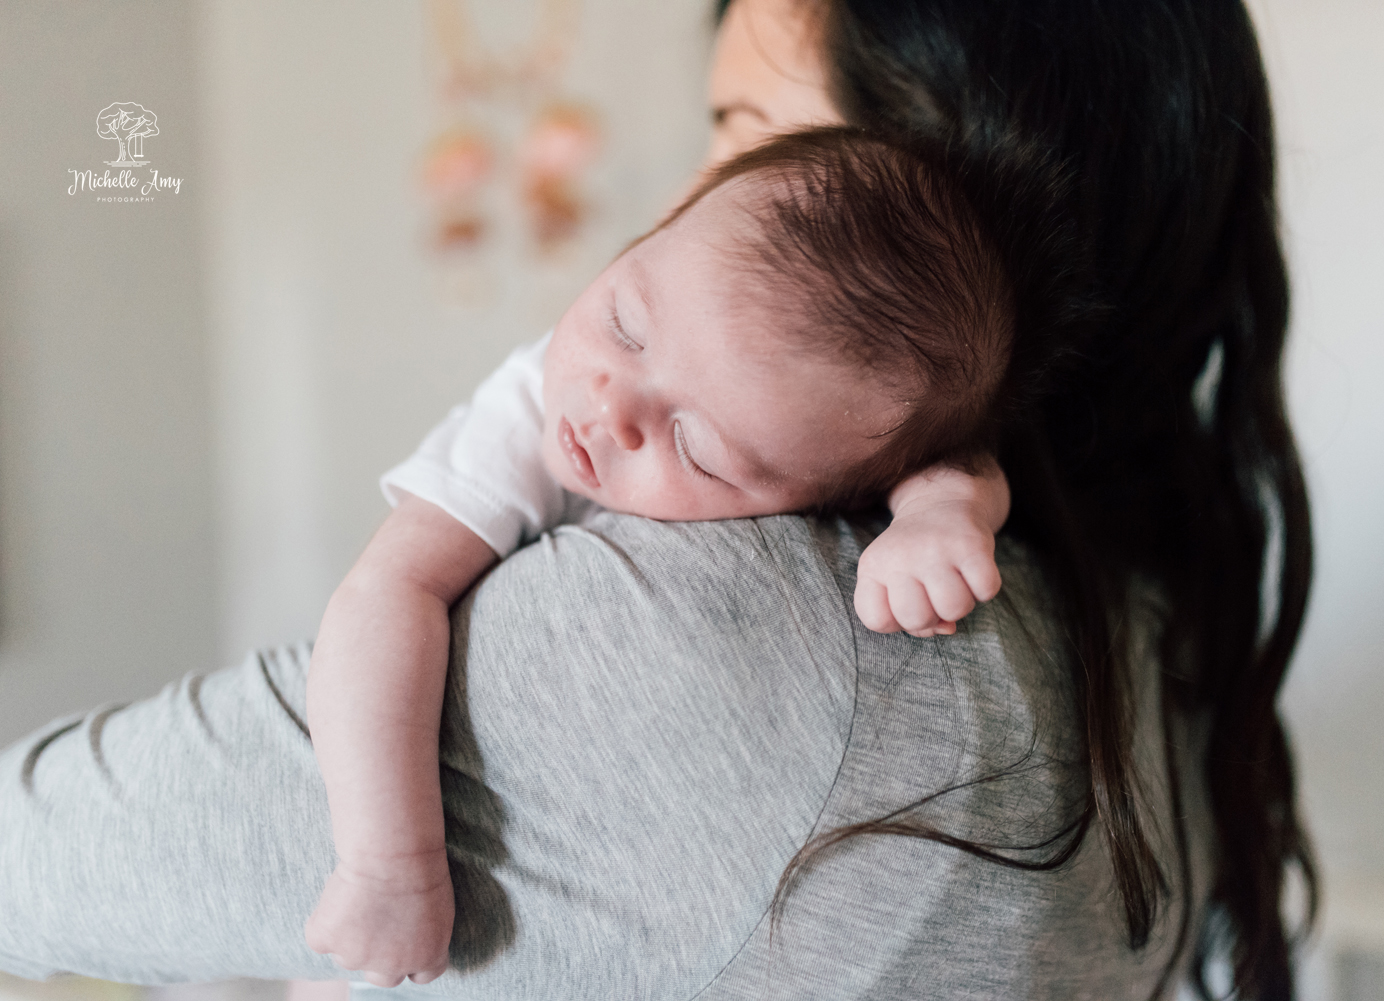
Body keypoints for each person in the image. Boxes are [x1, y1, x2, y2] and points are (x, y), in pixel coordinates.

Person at [0, 1, 1316, 999]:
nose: (701, 195)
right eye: (712, 139)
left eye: (749, 131)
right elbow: (384, 593)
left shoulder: (738, 625)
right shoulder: (1139, 631)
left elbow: (47, 852)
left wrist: (936, 514)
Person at [301, 127, 1023, 986]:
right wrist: (390, 866)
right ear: (654, 229)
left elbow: (955, 462)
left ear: (821, 494)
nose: (611, 404)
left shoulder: (832, 430)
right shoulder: (526, 416)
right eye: (625, 322)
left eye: (695, 446)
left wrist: (941, 514)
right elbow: (385, 592)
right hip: (392, 841)